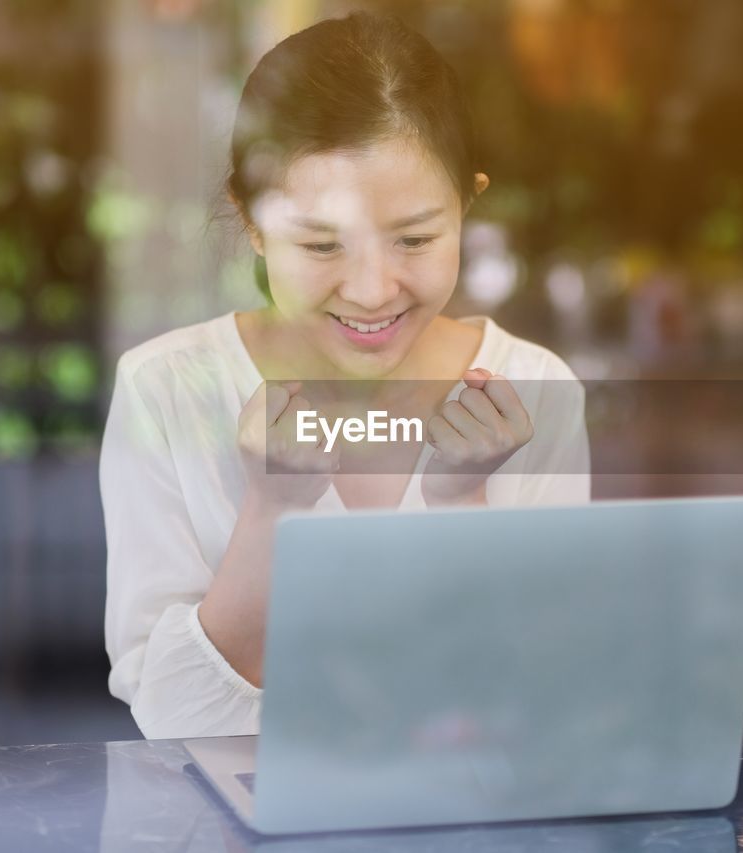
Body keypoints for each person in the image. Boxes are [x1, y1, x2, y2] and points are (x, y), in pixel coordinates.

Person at [101, 11, 589, 739]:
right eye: (322, 244)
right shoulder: (166, 391)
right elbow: (175, 719)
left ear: (469, 206)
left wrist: (461, 504)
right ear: (254, 225)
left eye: (415, 238)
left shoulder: (533, 388)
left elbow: (541, 711)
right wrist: (272, 509)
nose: (371, 290)